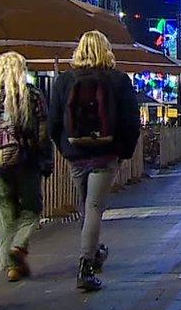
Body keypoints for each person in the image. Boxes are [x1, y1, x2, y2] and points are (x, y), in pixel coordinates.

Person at [50, 31, 140, 292]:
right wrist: (124, 152)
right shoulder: (117, 80)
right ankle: (86, 264)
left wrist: (65, 148)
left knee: (86, 205)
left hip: (76, 153)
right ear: (106, 49)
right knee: (94, 207)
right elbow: (130, 121)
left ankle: (94, 251)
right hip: (106, 152)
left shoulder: (64, 81)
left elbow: (54, 121)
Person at [0, 52, 52, 283]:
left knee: (2, 212)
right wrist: (46, 161)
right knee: (31, 208)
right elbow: (42, 134)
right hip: (26, 162)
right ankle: (17, 246)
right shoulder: (33, 95)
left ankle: (11, 265)